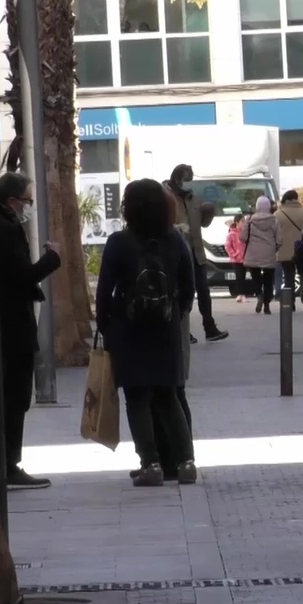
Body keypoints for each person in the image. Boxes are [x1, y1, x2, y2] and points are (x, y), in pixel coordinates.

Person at [96, 178, 197, 487]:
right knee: (169, 397)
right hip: (165, 330)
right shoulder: (175, 240)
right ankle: (186, 462)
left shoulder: (118, 242)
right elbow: (188, 286)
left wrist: (106, 327)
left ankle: (150, 463)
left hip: (129, 331)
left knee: (137, 398)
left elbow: (103, 293)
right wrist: (176, 314)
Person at [0, 172, 61, 489]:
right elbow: (22, 276)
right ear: (11, 201)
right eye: (27, 201)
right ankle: (8, 464)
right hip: (11, 328)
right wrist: (53, 258)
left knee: (11, 396)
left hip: (3, 326)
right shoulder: (5, 229)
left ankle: (5, 462)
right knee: (15, 397)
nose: (29, 207)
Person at [165, 164, 228, 342]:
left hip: (197, 253)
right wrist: (177, 229)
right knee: (184, 293)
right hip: (178, 254)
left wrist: (209, 213)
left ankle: (210, 327)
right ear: (177, 179)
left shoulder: (193, 198)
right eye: (185, 180)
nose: (187, 185)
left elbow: (203, 224)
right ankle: (184, 331)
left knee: (204, 292)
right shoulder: (167, 197)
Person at [242, 196, 282, 315]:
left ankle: (259, 294)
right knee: (269, 279)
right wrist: (274, 248)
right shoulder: (274, 220)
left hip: (253, 252)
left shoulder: (250, 220)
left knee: (255, 276)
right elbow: (280, 239)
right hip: (269, 252)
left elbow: (243, 237)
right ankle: (267, 304)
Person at [275, 190, 303, 311]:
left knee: (288, 277)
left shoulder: (278, 214)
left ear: (285, 200)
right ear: (296, 199)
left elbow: (275, 233)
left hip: (284, 250)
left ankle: (290, 302)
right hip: (302, 249)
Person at [224, 214, 249, 303]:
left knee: (242, 276)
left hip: (244, 258)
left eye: (244, 221)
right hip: (236, 259)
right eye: (242, 221)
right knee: (239, 276)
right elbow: (227, 246)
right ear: (237, 222)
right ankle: (241, 294)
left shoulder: (245, 233)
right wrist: (234, 254)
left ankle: (241, 294)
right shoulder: (231, 234)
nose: (243, 223)